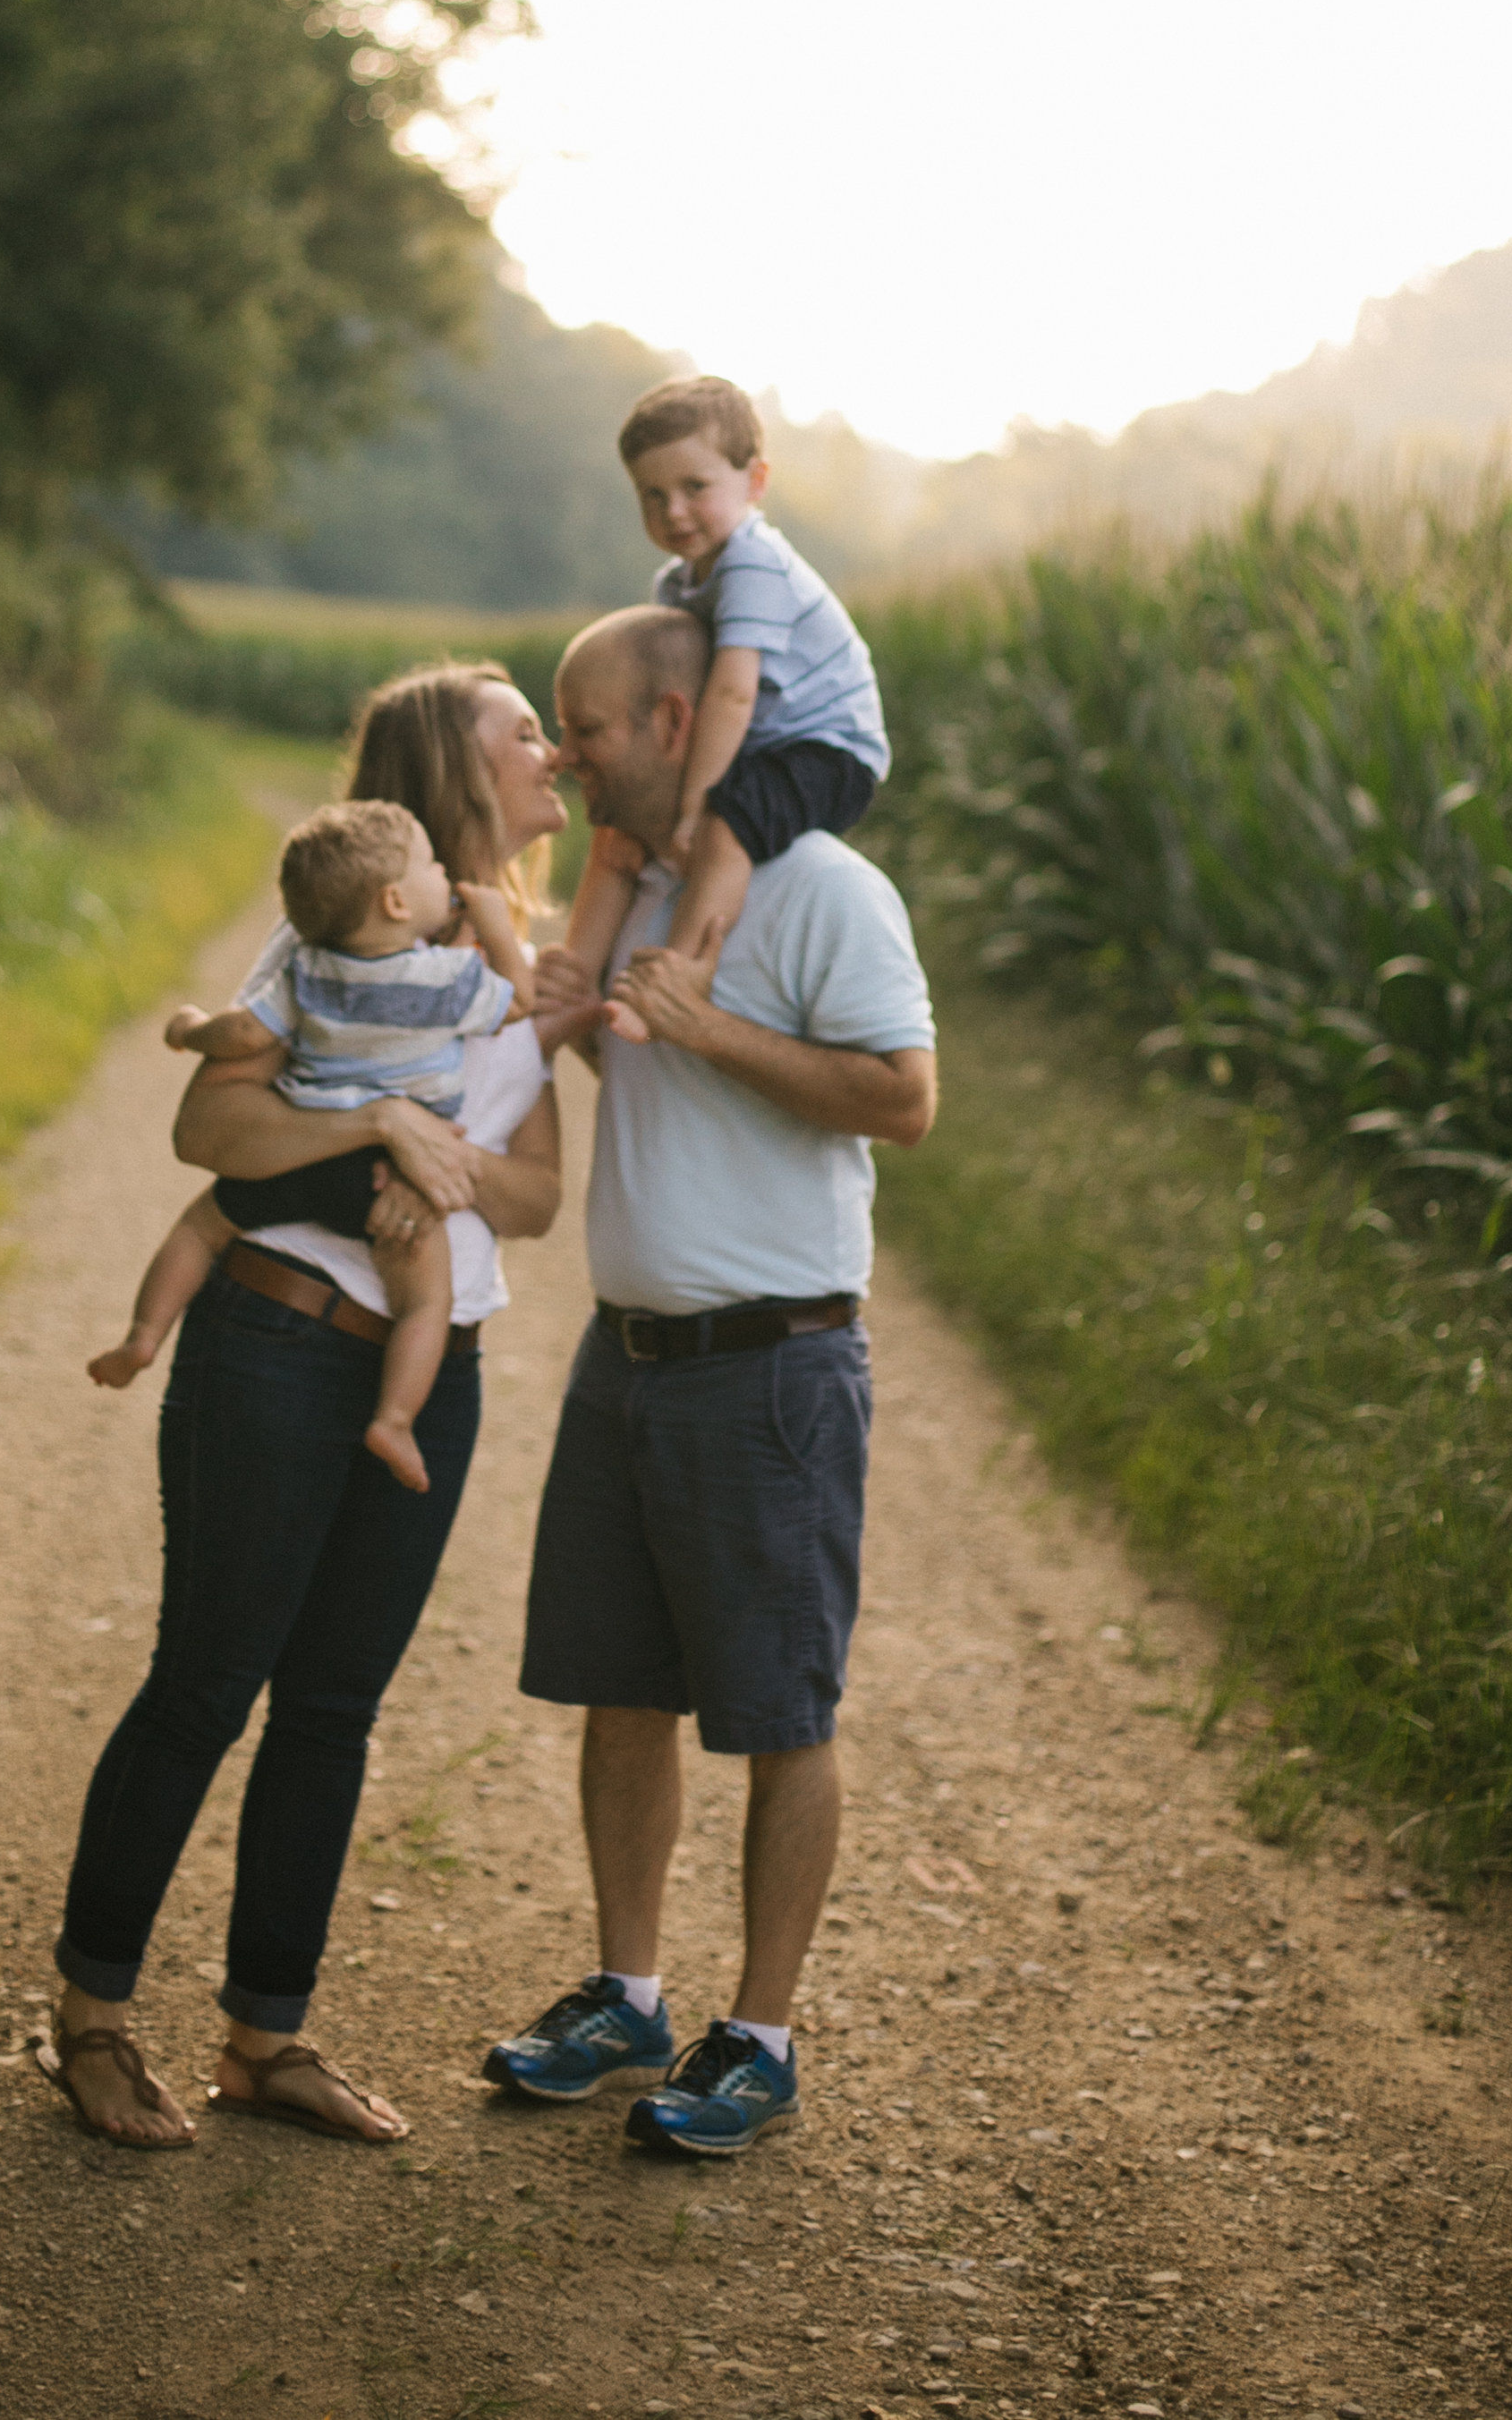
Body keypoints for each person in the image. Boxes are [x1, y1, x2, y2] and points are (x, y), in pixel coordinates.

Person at [36, 663, 567, 2151]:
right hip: (273, 1347)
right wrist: (374, 1129)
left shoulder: (517, 971)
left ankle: (265, 2040)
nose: (552, 749)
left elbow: (533, 1190)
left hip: (426, 1363)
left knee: (332, 1709)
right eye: (521, 730)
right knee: (206, 1682)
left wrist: (437, 1171)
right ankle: (89, 2023)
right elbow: (209, 1123)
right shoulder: (335, 942)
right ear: (446, 778)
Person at [487, 604, 935, 2156]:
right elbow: (652, 1067)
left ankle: (761, 2035)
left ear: (677, 726)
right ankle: (629, 1995)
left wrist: (711, 1027)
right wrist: (589, 1017)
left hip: (773, 1372)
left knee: (779, 1712)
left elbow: (906, 1098)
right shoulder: (645, 890)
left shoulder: (825, 893)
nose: (565, 753)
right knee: (623, 1691)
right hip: (627, 1364)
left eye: (586, 726)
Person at [88, 801, 532, 1490]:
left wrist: (189, 1028)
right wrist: (498, 928)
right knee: (426, 1301)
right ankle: (394, 1418)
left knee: (203, 1227)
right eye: (431, 864)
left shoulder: (310, 968)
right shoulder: (447, 979)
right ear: (395, 899)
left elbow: (243, 1037)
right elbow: (519, 1001)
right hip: (388, 1178)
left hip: (306, 1150)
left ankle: (144, 1333)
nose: (444, 871)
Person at [558, 376, 891, 1041]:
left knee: (727, 822)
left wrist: (692, 806)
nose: (673, 511)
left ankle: (680, 975)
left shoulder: (755, 566)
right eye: (652, 496)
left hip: (828, 747)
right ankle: (572, 980)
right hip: (762, 740)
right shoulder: (675, 582)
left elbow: (733, 692)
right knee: (622, 824)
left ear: (755, 481)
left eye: (694, 488)